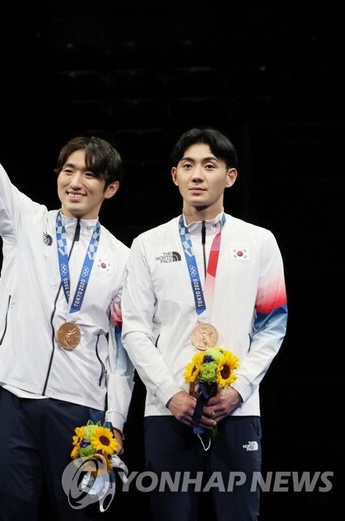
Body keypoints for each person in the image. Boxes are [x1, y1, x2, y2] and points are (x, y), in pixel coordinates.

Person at [0, 9, 134, 520]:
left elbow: (124, 351)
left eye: (90, 175)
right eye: (68, 170)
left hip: (83, 408)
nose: (75, 182)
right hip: (12, 399)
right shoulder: (24, 222)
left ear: (109, 189)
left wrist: (114, 421)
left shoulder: (126, 260)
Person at [120, 127, 288, 520]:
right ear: (174, 176)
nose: (197, 175)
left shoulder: (260, 241)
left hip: (238, 410)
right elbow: (134, 329)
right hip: (168, 412)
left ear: (229, 176)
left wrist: (240, 389)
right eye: (188, 165)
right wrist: (169, 394)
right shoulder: (148, 244)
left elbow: (273, 323)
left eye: (209, 166)